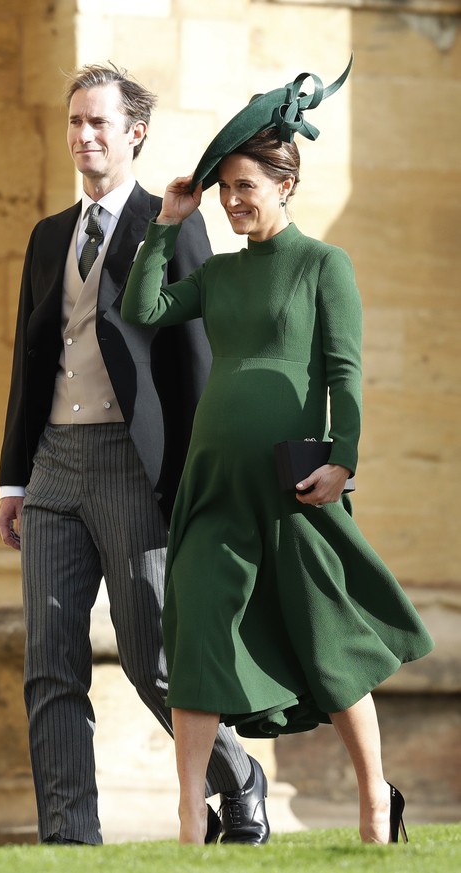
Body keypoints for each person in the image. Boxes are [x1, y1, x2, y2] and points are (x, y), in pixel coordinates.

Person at [121, 57, 435, 845]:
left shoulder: (324, 265)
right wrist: (170, 221)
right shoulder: (220, 274)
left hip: (295, 479)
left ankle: (373, 804)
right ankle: (191, 818)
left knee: (327, 639)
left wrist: (345, 457)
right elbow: (143, 304)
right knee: (195, 636)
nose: (230, 202)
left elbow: (344, 371)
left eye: (244, 187)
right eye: (223, 188)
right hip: (213, 482)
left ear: (285, 184)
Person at [0, 62, 270, 846]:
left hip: (133, 471)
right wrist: (13, 478)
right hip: (53, 468)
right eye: (74, 121)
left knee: (154, 662)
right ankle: (69, 841)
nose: (83, 135)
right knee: (50, 661)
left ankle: (238, 777)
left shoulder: (174, 224)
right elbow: (28, 363)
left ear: (134, 133)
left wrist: (190, 487)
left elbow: (195, 365)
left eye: (98, 123)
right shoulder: (49, 236)